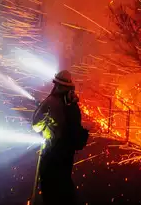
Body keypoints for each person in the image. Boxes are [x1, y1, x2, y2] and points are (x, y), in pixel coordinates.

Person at [32, 70, 89, 205]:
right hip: (67, 154)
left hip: (51, 153)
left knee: (50, 189)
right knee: (63, 186)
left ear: (56, 85)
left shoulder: (51, 102)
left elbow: (36, 126)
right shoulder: (73, 104)